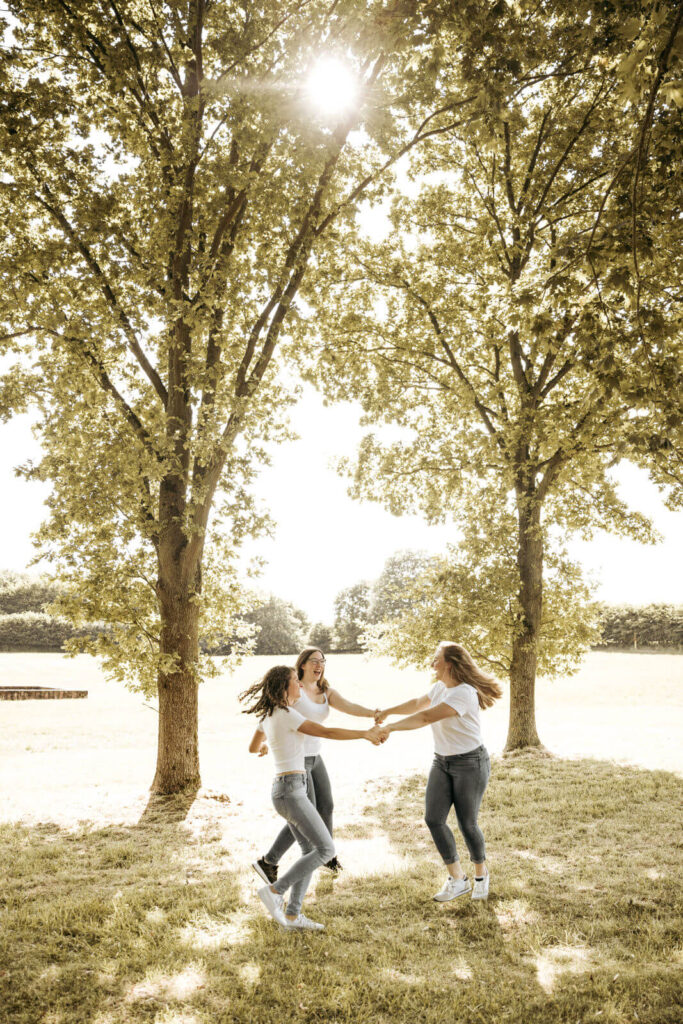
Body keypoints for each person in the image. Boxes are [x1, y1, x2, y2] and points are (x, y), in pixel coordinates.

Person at [240, 663, 384, 931]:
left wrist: (265, 747)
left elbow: (252, 747)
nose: (300, 685)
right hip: (291, 791)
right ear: (284, 687)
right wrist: (364, 734)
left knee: (309, 850)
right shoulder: (286, 714)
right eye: (295, 680)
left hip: (284, 790)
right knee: (326, 849)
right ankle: (275, 891)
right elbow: (326, 732)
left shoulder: (270, 714)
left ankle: (293, 915)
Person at [376, 641, 502, 902]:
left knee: (467, 823)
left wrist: (391, 728)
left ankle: (481, 875)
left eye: (437, 658)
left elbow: (425, 717)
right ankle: (458, 879)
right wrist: (388, 712)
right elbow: (417, 704)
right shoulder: (440, 687)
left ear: (450, 664)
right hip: (442, 762)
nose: (432, 663)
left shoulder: (464, 693)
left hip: (470, 763)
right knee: (434, 819)